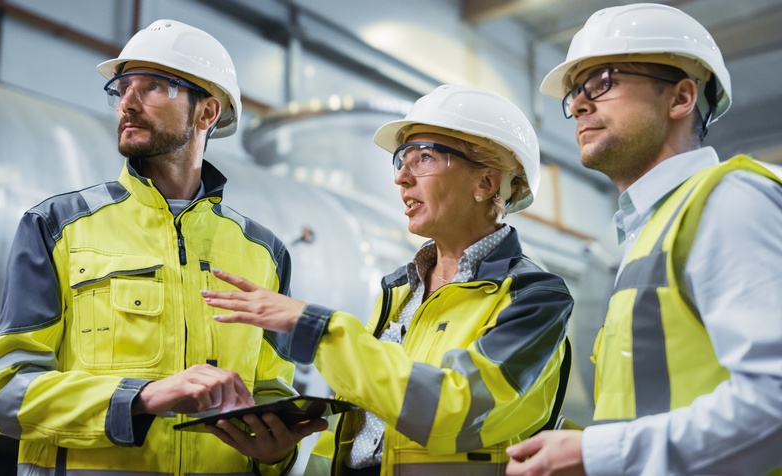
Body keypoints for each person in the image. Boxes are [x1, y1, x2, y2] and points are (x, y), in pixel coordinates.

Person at [0, 19, 324, 475]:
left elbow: (272, 392)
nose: (127, 103)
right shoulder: (57, 226)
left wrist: (277, 454)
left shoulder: (264, 252)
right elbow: (4, 393)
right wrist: (139, 399)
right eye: (122, 87)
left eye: (154, 86)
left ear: (207, 113)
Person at [200, 84, 574, 475]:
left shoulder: (535, 299)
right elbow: (351, 434)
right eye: (402, 160)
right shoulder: (399, 290)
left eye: (424, 157)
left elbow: (455, 412)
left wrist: (316, 327)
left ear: (486, 183)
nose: (402, 178)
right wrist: (277, 457)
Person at [506, 4, 782, 475]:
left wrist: (599, 454)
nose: (577, 105)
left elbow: (774, 399)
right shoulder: (650, 230)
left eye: (604, 81)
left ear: (680, 98)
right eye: (574, 92)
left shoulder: (727, 201)